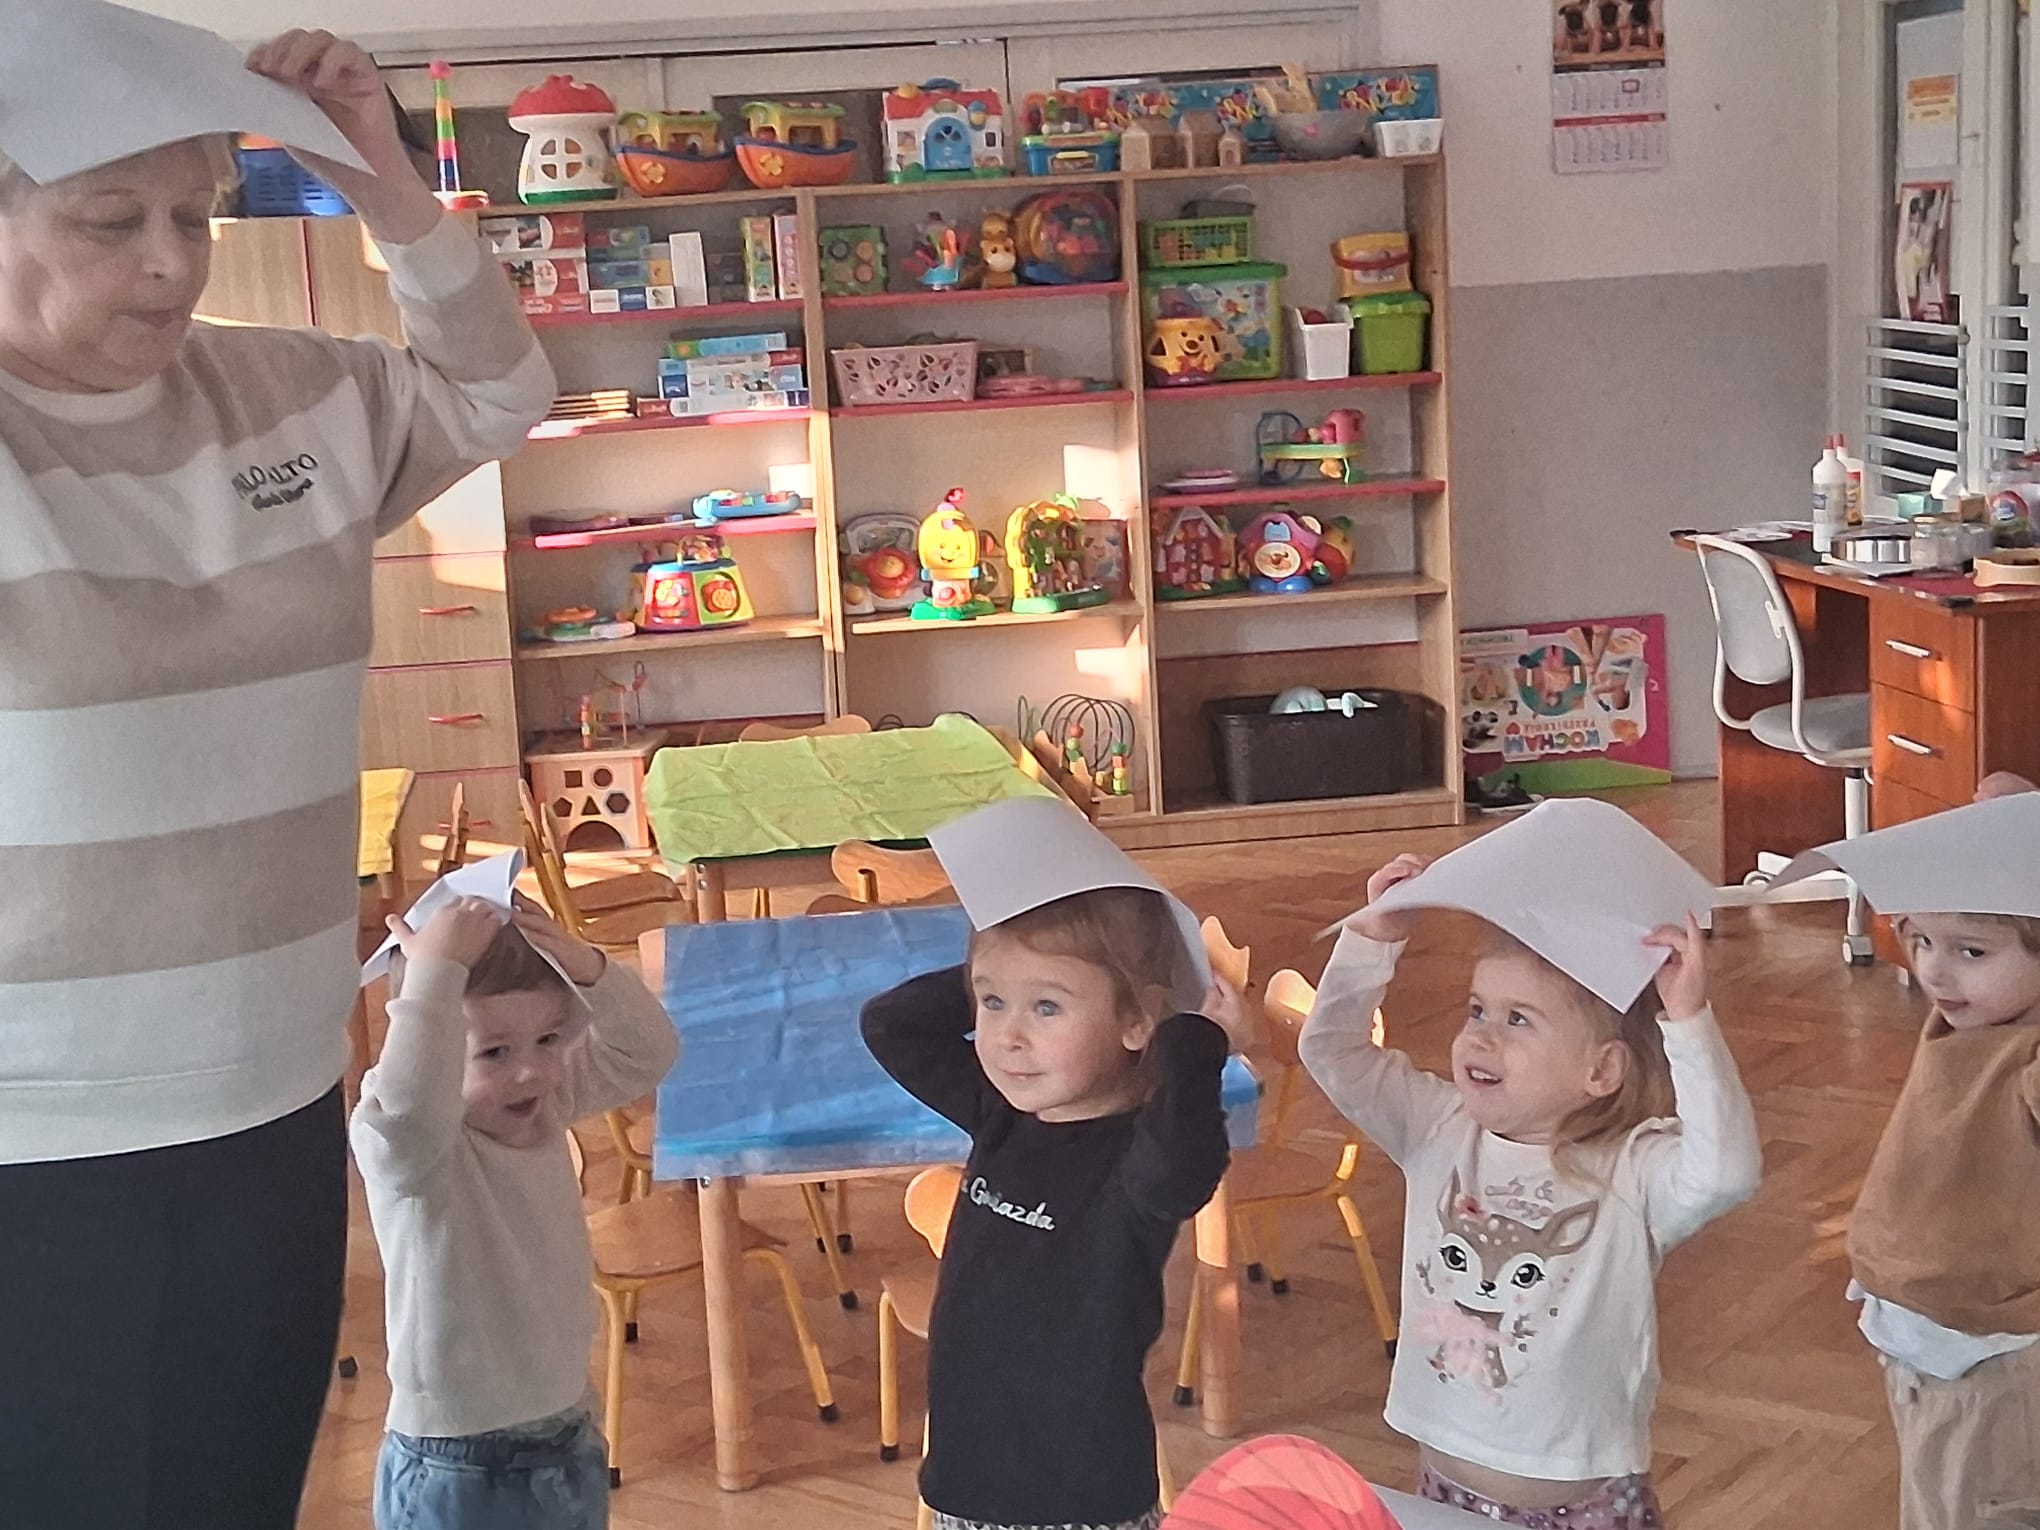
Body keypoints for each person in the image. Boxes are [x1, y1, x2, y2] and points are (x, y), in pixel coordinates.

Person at [0, 23, 553, 1527]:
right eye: (109, 221)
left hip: (275, 1085)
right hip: (36, 1126)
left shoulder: (296, 394)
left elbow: (499, 392)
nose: (169, 261)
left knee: (235, 1488)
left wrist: (380, 177)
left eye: (196, 212)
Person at [1301, 853, 1763, 1528]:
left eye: (1518, 1019)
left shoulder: (1632, 1168)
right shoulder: (1437, 1127)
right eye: (1477, 1009)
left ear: (1601, 1070)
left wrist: (1689, 1020)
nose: (1482, 1035)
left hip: (1585, 1509)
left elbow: (1729, 1169)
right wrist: (1374, 938)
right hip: (1445, 1493)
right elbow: (1332, 1049)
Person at [860, 887, 1251, 1530]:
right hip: (965, 1484)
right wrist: (1002, 967)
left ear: (1136, 1021)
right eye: (992, 1005)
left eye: (1047, 1007)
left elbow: (1183, 1165)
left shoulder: (1140, 1159)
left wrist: (1194, 1038)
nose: (1009, 1037)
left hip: (1079, 1501)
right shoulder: (1003, 1117)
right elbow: (890, 1025)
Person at [356, 890, 679, 1530]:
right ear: (433, 1047)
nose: (530, 1072)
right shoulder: (418, 1146)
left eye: (548, 1039)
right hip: (455, 1461)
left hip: (567, 1433)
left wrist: (590, 968)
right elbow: (403, 1120)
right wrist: (432, 979)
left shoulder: (547, 1106)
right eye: (494, 1052)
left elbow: (648, 1052)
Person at [1843, 829, 2040, 1527]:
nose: (1935, 971)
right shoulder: (1976, 1018)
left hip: (1990, 1361)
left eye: (1971, 952)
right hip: (1923, 1337)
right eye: (1923, 941)